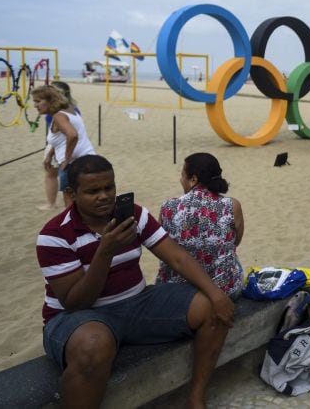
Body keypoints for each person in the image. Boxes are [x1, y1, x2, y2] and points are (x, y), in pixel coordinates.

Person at [36, 155, 234, 407]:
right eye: (92, 191)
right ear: (72, 194)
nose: (104, 196)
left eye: (109, 187)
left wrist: (216, 294)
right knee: (94, 345)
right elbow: (76, 301)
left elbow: (177, 258)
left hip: (137, 304)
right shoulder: (54, 235)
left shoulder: (132, 215)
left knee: (212, 307)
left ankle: (195, 398)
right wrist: (105, 252)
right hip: (76, 319)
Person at [157, 152, 246, 300]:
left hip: (178, 293)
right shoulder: (232, 205)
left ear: (193, 179)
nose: (181, 180)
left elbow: (161, 247)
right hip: (225, 291)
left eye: (182, 175)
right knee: (231, 256)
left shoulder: (168, 206)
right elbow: (235, 241)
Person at [32, 85, 95, 208]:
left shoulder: (58, 116)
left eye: (38, 101)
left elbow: (72, 135)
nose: (35, 105)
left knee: (71, 205)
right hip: (89, 158)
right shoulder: (70, 109)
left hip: (74, 164)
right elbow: (62, 139)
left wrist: (67, 159)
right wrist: (50, 154)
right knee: (84, 202)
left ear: (51, 101)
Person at [37, 82, 79, 210]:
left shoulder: (58, 112)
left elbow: (70, 135)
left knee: (52, 174)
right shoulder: (73, 107)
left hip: (61, 148)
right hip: (64, 147)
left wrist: (52, 152)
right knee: (58, 176)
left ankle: (51, 203)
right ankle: (55, 203)